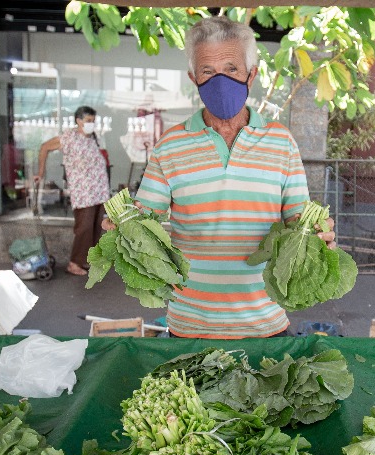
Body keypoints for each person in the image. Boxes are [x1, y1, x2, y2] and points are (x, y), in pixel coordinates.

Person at [108, 16, 335, 339]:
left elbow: (297, 220)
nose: (220, 81)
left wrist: (317, 234)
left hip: (267, 326)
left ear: (251, 75)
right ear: (193, 78)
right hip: (189, 326)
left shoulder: (281, 141)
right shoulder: (170, 145)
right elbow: (148, 221)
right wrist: (125, 226)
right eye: (208, 72)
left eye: (231, 69)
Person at [34, 106, 110, 276]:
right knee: (84, 227)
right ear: (78, 120)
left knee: (95, 228)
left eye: (93, 121)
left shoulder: (92, 139)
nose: (91, 124)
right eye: (88, 121)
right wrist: (41, 172)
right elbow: (44, 147)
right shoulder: (69, 137)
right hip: (84, 192)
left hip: (99, 191)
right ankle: (74, 263)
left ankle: (85, 260)